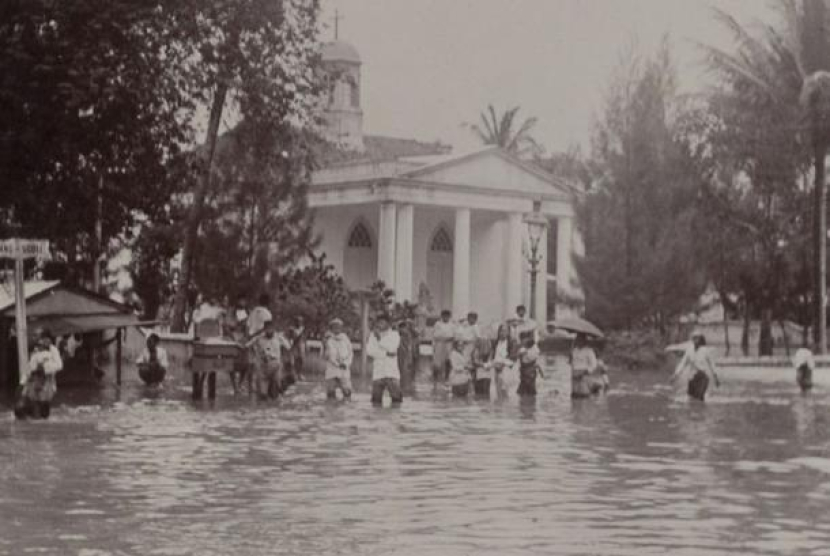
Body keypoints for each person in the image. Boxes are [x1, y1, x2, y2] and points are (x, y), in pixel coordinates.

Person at [15, 329, 63, 420]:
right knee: (29, 407)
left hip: (46, 383)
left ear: (48, 339)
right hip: (34, 382)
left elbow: (59, 365)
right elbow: (29, 369)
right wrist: (22, 383)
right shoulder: (36, 351)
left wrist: (44, 368)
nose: (39, 340)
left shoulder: (53, 350)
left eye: (40, 337)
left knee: (44, 412)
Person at [672, 332, 721, 401]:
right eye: (693, 338)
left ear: (700, 340)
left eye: (697, 338)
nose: (695, 340)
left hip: (702, 377)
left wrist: (716, 377)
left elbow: (712, 365)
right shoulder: (689, 350)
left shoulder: (705, 351)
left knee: (699, 398)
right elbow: (683, 363)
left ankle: (700, 409)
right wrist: (676, 374)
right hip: (692, 377)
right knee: (690, 398)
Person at [366, 314, 403, 406]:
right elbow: (370, 351)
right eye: (379, 322)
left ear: (388, 324)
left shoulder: (394, 335)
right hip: (378, 372)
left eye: (382, 322)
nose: (380, 324)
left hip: (392, 373)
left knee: (397, 401)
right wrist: (385, 354)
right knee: (376, 401)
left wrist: (379, 340)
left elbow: (392, 348)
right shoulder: (372, 335)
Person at [251, 318, 289, 400]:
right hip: (263, 367)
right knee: (262, 395)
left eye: (271, 328)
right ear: (264, 329)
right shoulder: (259, 338)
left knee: (275, 391)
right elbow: (247, 345)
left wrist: (284, 361)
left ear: (274, 329)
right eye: (267, 329)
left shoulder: (279, 337)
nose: (269, 331)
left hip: (276, 365)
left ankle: (278, 394)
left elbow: (288, 348)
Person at [325, 318, 353, 400]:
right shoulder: (328, 340)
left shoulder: (346, 339)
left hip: (344, 370)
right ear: (331, 328)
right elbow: (327, 355)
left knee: (347, 392)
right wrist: (337, 364)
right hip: (331, 370)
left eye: (339, 327)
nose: (337, 329)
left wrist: (346, 363)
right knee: (330, 392)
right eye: (334, 327)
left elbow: (350, 353)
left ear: (341, 328)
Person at [570, 334, 599, 399]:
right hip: (574, 374)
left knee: (583, 394)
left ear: (584, 341)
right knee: (575, 395)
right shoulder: (574, 350)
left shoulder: (589, 351)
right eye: (577, 340)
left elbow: (594, 364)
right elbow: (572, 363)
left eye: (580, 340)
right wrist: (570, 359)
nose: (578, 341)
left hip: (584, 374)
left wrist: (585, 372)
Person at [489, 324, 514, 399]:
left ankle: (505, 408)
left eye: (505, 331)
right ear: (498, 332)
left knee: (506, 392)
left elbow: (513, 357)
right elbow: (492, 355)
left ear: (509, 332)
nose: (503, 332)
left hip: (507, 369)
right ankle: (499, 408)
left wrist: (502, 364)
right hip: (496, 369)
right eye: (501, 330)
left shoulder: (511, 343)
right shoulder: (495, 342)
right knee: (497, 390)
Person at [432, 309, 455, 383]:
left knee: (448, 360)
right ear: (442, 316)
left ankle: (447, 376)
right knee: (437, 361)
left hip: (448, 344)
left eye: (447, 316)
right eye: (444, 316)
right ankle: (435, 376)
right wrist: (442, 339)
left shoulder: (452, 324)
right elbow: (435, 335)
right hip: (439, 344)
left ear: (449, 317)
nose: (446, 318)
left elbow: (454, 335)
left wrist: (449, 339)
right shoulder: (438, 324)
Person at [287, 316, 307, 383]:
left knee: (301, 360)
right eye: (298, 321)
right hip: (294, 345)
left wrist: (305, 345)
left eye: (300, 321)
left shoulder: (303, 328)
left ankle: (299, 374)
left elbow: (304, 337)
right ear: (295, 322)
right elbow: (291, 337)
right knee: (293, 360)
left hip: (301, 344)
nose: (299, 323)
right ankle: (294, 375)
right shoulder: (292, 328)